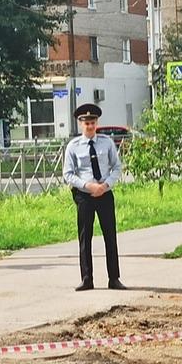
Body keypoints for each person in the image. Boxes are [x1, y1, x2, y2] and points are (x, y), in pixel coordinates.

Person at [63, 103, 125, 291]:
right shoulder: (73, 147)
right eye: (86, 123)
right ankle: (87, 278)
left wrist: (105, 185)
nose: (89, 126)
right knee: (85, 237)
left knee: (110, 236)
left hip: (105, 193)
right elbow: (68, 174)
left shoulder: (106, 142)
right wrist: (87, 186)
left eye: (92, 122)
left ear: (96, 123)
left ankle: (114, 278)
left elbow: (117, 167)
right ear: (80, 124)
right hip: (85, 196)